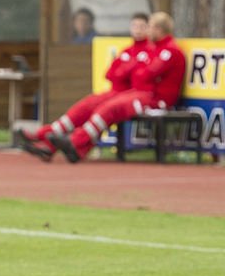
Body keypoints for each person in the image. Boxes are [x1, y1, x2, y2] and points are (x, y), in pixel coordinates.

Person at [49, 11, 185, 163]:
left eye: (150, 27)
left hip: (158, 99)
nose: (147, 31)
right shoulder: (155, 49)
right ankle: (74, 146)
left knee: (111, 108)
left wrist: (135, 70)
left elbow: (144, 74)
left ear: (159, 30)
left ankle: (75, 141)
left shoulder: (170, 50)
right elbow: (116, 74)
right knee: (97, 105)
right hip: (144, 94)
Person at [18, 12, 151, 161]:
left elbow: (138, 77)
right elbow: (110, 74)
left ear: (149, 29)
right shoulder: (127, 51)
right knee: (82, 108)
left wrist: (125, 70)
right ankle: (52, 144)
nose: (137, 29)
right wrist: (126, 70)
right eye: (134, 25)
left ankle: (59, 142)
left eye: (142, 26)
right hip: (116, 93)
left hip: (130, 96)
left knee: (102, 111)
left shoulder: (150, 51)